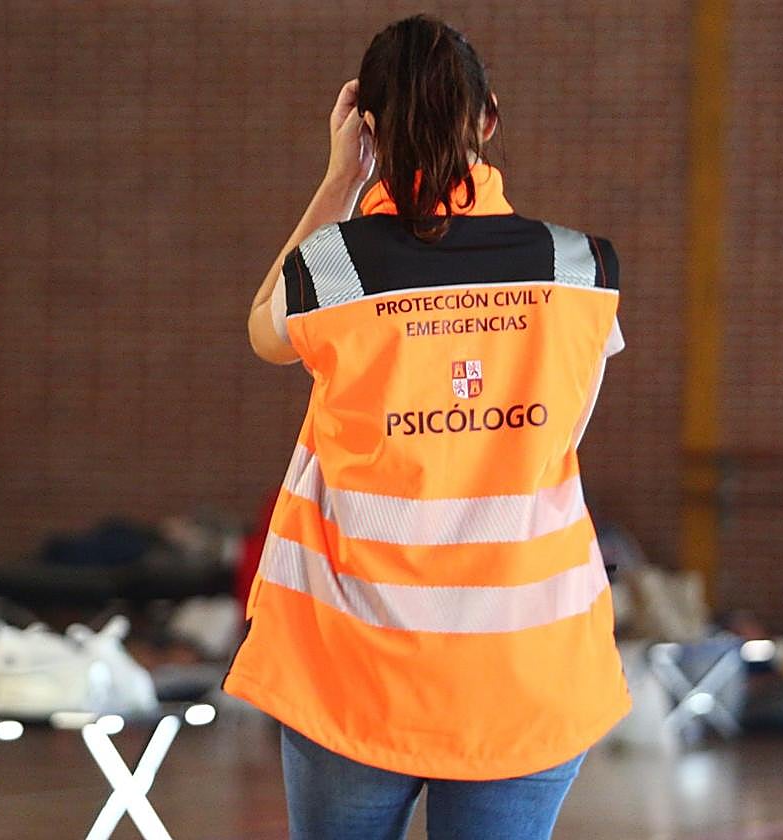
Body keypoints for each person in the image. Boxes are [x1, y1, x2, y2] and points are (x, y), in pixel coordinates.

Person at [223, 15, 630, 840]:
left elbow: (266, 332)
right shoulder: (578, 268)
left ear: (366, 129)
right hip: (526, 668)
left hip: (354, 669)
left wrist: (339, 181)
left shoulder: (332, 271)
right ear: (488, 119)